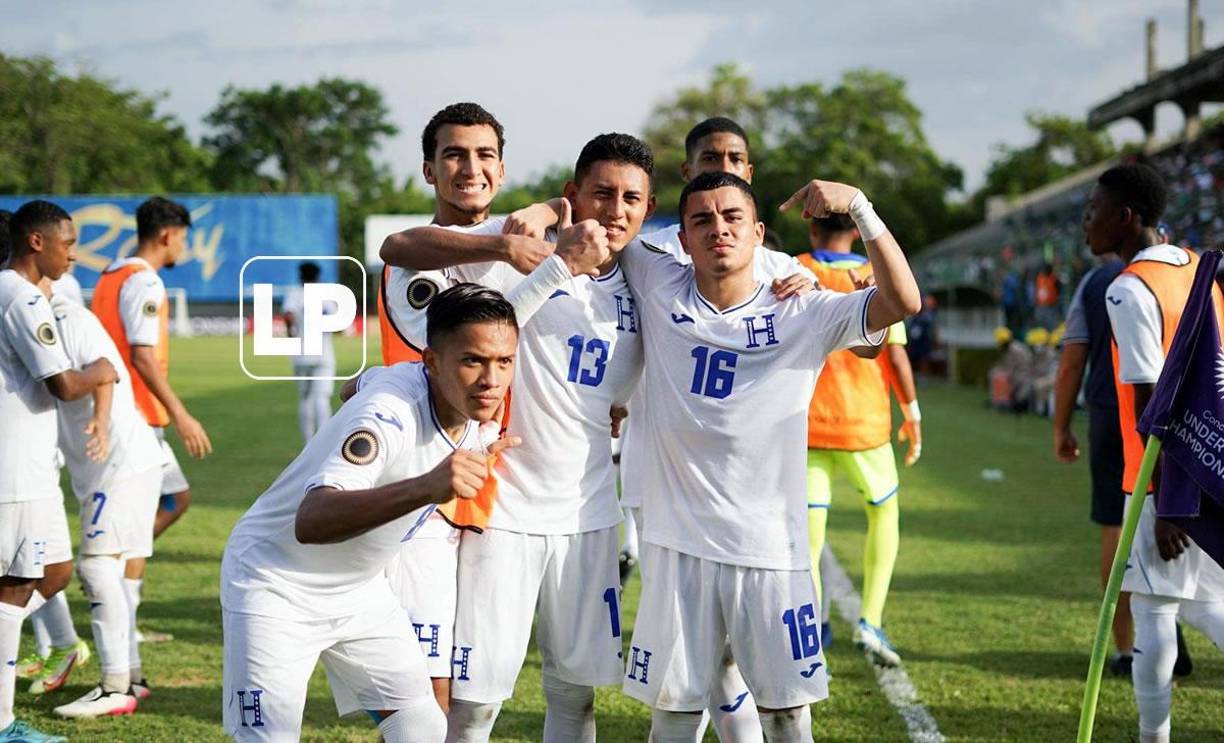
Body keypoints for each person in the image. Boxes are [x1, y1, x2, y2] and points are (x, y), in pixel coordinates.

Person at [382, 133, 673, 742]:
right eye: (601, 194)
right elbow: (485, 325)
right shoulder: (522, 258)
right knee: (477, 703)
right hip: (504, 512)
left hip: (591, 515)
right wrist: (555, 248)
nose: (616, 210)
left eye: (631, 199)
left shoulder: (650, 283)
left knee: (575, 696)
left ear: (648, 209)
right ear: (573, 197)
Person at [619, 172, 920, 742]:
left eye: (732, 218)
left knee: (785, 718)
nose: (718, 230)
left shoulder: (802, 307)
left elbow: (903, 300)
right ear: (680, 240)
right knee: (675, 719)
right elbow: (602, 218)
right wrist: (546, 211)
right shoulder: (656, 279)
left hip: (772, 554)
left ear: (758, 232)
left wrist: (860, 206)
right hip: (678, 550)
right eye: (701, 220)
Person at [220, 284, 521, 742]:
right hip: (274, 583)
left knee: (420, 729)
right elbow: (313, 519)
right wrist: (427, 485)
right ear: (432, 360)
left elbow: (354, 385)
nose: (491, 380)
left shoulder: (463, 407)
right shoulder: (389, 414)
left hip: (359, 593)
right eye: (472, 360)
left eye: (504, 362)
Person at [621, 117, 817, 740]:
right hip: (664, 490)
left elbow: (871, 326)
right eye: (711, 157)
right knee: (689, 676)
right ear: (687, 174)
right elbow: (591, 231)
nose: (724, 167)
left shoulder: (784, 268)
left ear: (751, 177)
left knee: (751, 672)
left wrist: (817, 278)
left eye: (736, 158)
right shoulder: (653, 258)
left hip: (760, 510)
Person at [1085, 163, 1224, 743]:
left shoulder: (1128, 289)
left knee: (1154, 607)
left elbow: (1151, 402)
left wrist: (1169, 499)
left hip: (1159, 477)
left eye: (1093, 211)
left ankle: (1152, 735)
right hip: (1212, 461)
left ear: (1126, 217)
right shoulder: (1199, 268)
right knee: (1207, 599)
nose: (1085, 223)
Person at [1, 200, 117, 743]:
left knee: (50, 573)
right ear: (37, 242)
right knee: (15, 584)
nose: (74, 253)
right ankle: (2, 724)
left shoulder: (24, 294)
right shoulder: (19, 296)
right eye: (67, 242)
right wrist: (102, 367)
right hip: (14, 465)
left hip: (32, 464)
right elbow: (64, 384)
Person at [92, 195, 211, 693]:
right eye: (183, 236)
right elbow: (141, 356)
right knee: (130, 532)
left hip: (130, 417)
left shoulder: (109, 277)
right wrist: (181, 413)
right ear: (168, 234)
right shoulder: (144, 281)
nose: (184, 245)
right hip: (138, 420)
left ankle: (121, 597)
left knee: (171, 503)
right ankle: (118, 610)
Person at [799, 213, 923, 668]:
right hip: (866, 425)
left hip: (808, 423)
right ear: (853, 231)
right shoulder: (878, 277)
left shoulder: (793, 269)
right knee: (883, 512)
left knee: (809, 538)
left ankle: (812, 626)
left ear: (812, 230)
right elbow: (896, 356)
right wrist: (912, 414)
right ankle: (870, 620)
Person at [46, 282, 165, 718]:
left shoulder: (62, 316)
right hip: (120, 460)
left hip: (118, 461)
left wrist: (99, 419)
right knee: (110, 566)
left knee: (96, 565)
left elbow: (105, 369)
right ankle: (131, 676)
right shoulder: (41, 311)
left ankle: (115, 686)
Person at [1052, 253, 1134, 674]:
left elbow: (1071, 363)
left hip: (1112, 413)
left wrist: (1060, 426)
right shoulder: (1188, 269)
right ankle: (1166, 637)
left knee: (1115, 525)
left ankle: (1126, 650)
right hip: (1179, 418)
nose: (1086, 228)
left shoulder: (1096, 281)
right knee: (1176, 524)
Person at [282, 261, 335, 442]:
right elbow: (338, 325)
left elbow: (288, 315)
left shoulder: (295, 294)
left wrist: (291, 334)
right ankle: (324, 442)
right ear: (318, 276)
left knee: (305, 399)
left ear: (301, 276)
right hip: (324, 354)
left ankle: (308, 443)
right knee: (322, 398)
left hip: (301, 354)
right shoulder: (326, 297)